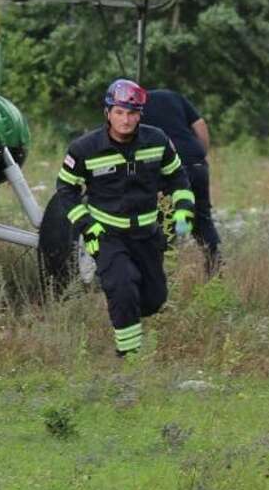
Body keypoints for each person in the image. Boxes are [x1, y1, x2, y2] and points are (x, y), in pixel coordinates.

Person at [58, 79, 194, 358]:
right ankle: (129, 356)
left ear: (140, 115)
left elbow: (178, 177)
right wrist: (87, 227)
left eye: (132, 113)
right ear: (108, 112)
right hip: (106, 234)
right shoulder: (84, 149)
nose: (126, 120)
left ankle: (124, 307)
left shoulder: (157, 140)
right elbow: (66, 191)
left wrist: (183, 210)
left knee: (155, 299)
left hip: (147, 234)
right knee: (122, 286)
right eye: (119, 112)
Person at [141, 87, 220, 273]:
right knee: (202, 218)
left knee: (165, 218)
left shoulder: (130, 110)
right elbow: (200, 124)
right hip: (196, 163)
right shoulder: (172, 95)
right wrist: (201, 155)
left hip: (168, 166)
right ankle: (215, 268)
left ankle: (168, 272)